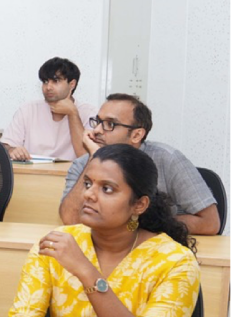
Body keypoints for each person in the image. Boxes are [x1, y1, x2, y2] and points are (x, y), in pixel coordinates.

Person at [7, 144, 200, 317]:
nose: (88, 194)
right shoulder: (58, 243)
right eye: (88, 183)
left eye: (107, 189)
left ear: (139, 205)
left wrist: (87, 272)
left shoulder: (175, 261)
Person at [58, 94, 220, 235]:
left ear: (136, 134)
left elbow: (210, 222)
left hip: (157, 247)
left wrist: (136, 225)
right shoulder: (83, 164)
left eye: (110, 124)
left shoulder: (168, 159)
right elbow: (70, 219)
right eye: (98, 121)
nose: (97, 130)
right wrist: (95, 158)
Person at [0, 57, 96, 161]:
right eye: (45, 81)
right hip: (33, 174)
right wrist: (12, 150)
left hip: (71, 175)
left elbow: (85, 156)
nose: (48, 87)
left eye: (55, 81)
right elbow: (5, 146)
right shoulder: (28, 110)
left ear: (72, 84)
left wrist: (72, 113)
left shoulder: (89, 113)